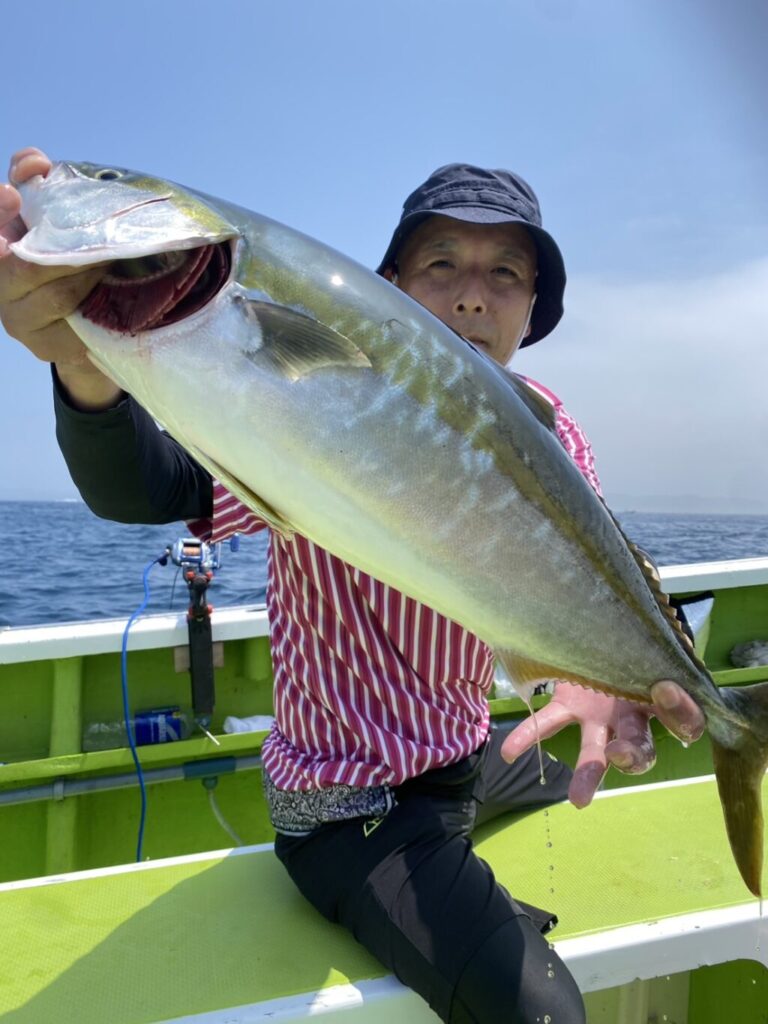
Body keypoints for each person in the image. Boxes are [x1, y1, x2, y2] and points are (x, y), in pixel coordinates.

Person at [0, 149, 705, 1024]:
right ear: (390, 287)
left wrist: (602, 674)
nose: (473, 296)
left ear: (533, 308)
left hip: (468, 756)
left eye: (505, 273)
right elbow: (149, 487)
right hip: (350, 806)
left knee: (607, 769)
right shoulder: (316, 400)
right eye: (441, 264)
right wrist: (85, 370)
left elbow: (601, 573)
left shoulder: (550, 429)